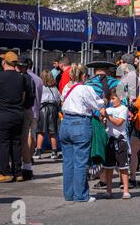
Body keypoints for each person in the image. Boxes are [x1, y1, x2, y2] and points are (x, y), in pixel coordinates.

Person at [60, 63, 105, 202]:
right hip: (80, 123)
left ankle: (69, 194)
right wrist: (105, 100)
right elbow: (97, 104)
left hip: (65, 123)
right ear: (84, 76)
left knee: (68, 162)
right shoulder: (85, 88)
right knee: (81, 162)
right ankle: (81, 195)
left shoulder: (67, 87)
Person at [0, 52, 26, 183]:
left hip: (2, 115)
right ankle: (18, 172)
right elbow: (23, 96)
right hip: (18, 115)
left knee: (2, 144)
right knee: (16, 143)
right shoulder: (21, 78)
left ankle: (4, 172)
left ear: (4, 63)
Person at [100, 88, 131, 199]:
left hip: (120, 140)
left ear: (120, 98)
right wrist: (102, 116)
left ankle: (126, 191)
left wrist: (107, 116)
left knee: (123, 167)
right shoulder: (108, 109)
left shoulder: (124, 109)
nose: (112, 101)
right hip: (110, 140)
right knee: (109, 168)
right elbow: (103, 124)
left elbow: (118, 123)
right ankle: (109, 191)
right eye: (110, 99)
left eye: (114, 98)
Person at [16, 57, 39, 181]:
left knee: (22, 141)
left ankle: (24, 169)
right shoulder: (33, 78)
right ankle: (27, 168)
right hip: (29, 110)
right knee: (24, 140)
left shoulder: (23, 78)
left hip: (24, 110)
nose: (19, 68)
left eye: (21, 66)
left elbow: (23, 97)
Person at [34, 69, 61, 160]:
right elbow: (58, 100)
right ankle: (54, 151)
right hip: (53, 109)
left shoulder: (40, 87)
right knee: (52, 132)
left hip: (42, 109)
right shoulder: (55, 88)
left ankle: (38, 151)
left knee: (41, 131)